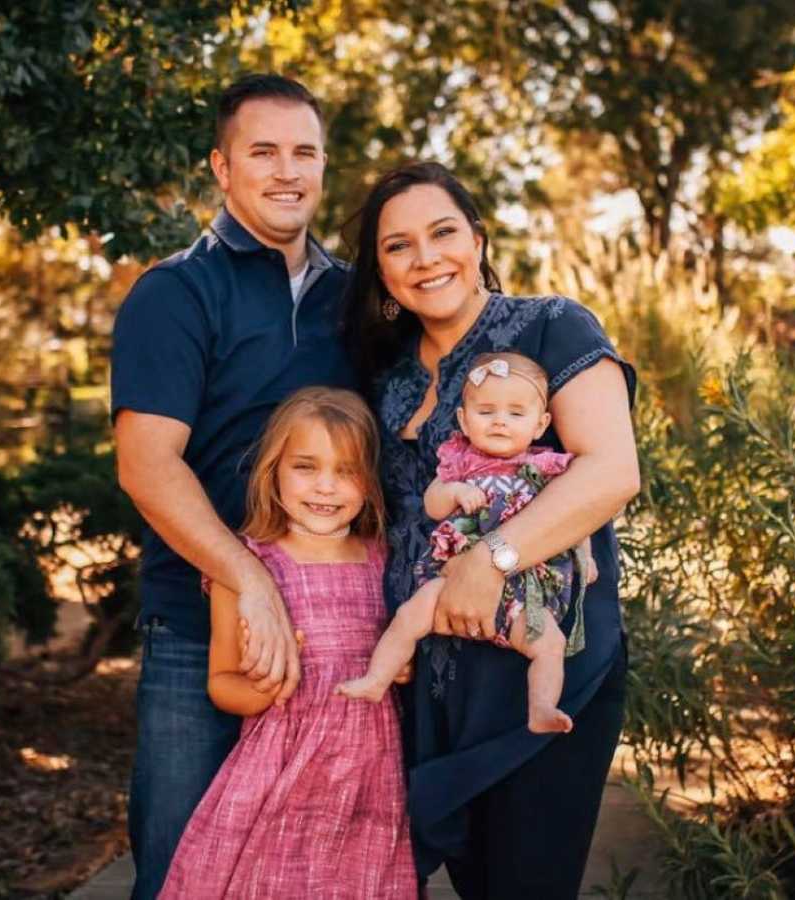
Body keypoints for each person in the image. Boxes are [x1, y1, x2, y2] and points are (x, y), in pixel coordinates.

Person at [341, 161, 639, 899]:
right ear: (380, 272)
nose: (426, 257)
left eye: (443, 232)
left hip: (539, 659)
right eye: (398, 246)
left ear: (476, 240)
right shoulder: (385, 375)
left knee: (526, 882)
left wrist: (491, 559)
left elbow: (610, 472)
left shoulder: (550, 325)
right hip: (435, 686)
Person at [111, 74, 354, 898]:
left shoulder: (358, 299)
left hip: (337, 633)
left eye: (305, 152)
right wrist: (247, 578)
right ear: (222, 167)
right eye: (263, 151)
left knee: (321, 870)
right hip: (197, 630)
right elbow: (147, 464)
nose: (287, 171)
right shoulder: (176, 293)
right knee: (184, 871)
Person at [158, 387, 416, 899]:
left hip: (370, 777)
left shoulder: (386, 561)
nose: (326, 486)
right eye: (305, 466)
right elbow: (222, 683)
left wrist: (399, 667)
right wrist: (270, 688)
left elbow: (402, 649)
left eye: (347, 470)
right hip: (278, 775)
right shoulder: (247, 567)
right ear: (273, 470)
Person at [337, 350, 598, 735]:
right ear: (463, 419)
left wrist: (584, 556)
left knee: (549, 645)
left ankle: (541, 706)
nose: (499, 422)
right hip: (454, 577)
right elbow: (432, 502)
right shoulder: (460, 463)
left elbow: (576, 516)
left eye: (515, 413)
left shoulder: (546, 468)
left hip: (523, 588)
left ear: (541, 424)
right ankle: (377, 679)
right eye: (486, 411)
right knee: (409, 617)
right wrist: (455, 492)